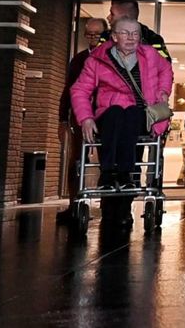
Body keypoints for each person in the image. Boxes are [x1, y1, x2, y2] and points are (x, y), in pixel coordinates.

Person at [69, 17, 173, 225]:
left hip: (140, 116)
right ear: (114, 36)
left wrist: (163, 91)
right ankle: (108, 175)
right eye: (125, 33)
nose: (131, 38)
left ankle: (124, 177)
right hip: (110, 115)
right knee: (117, 111)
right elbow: (79, 90)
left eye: (135, 34)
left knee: (132, 113)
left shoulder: (149, 54)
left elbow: (166, 70)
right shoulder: (97, 60)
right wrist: (86, 118)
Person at [55, 17, 106, 224]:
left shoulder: (111, 57)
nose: (92, 38)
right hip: (79, 115)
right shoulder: (78, 60)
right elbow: (69, 89)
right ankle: (74, 202)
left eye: (97, 34)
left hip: (103, 114)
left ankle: (107, 205)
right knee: (76, 160)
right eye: (89, 34)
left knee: (107, 159)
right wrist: (62, 118)